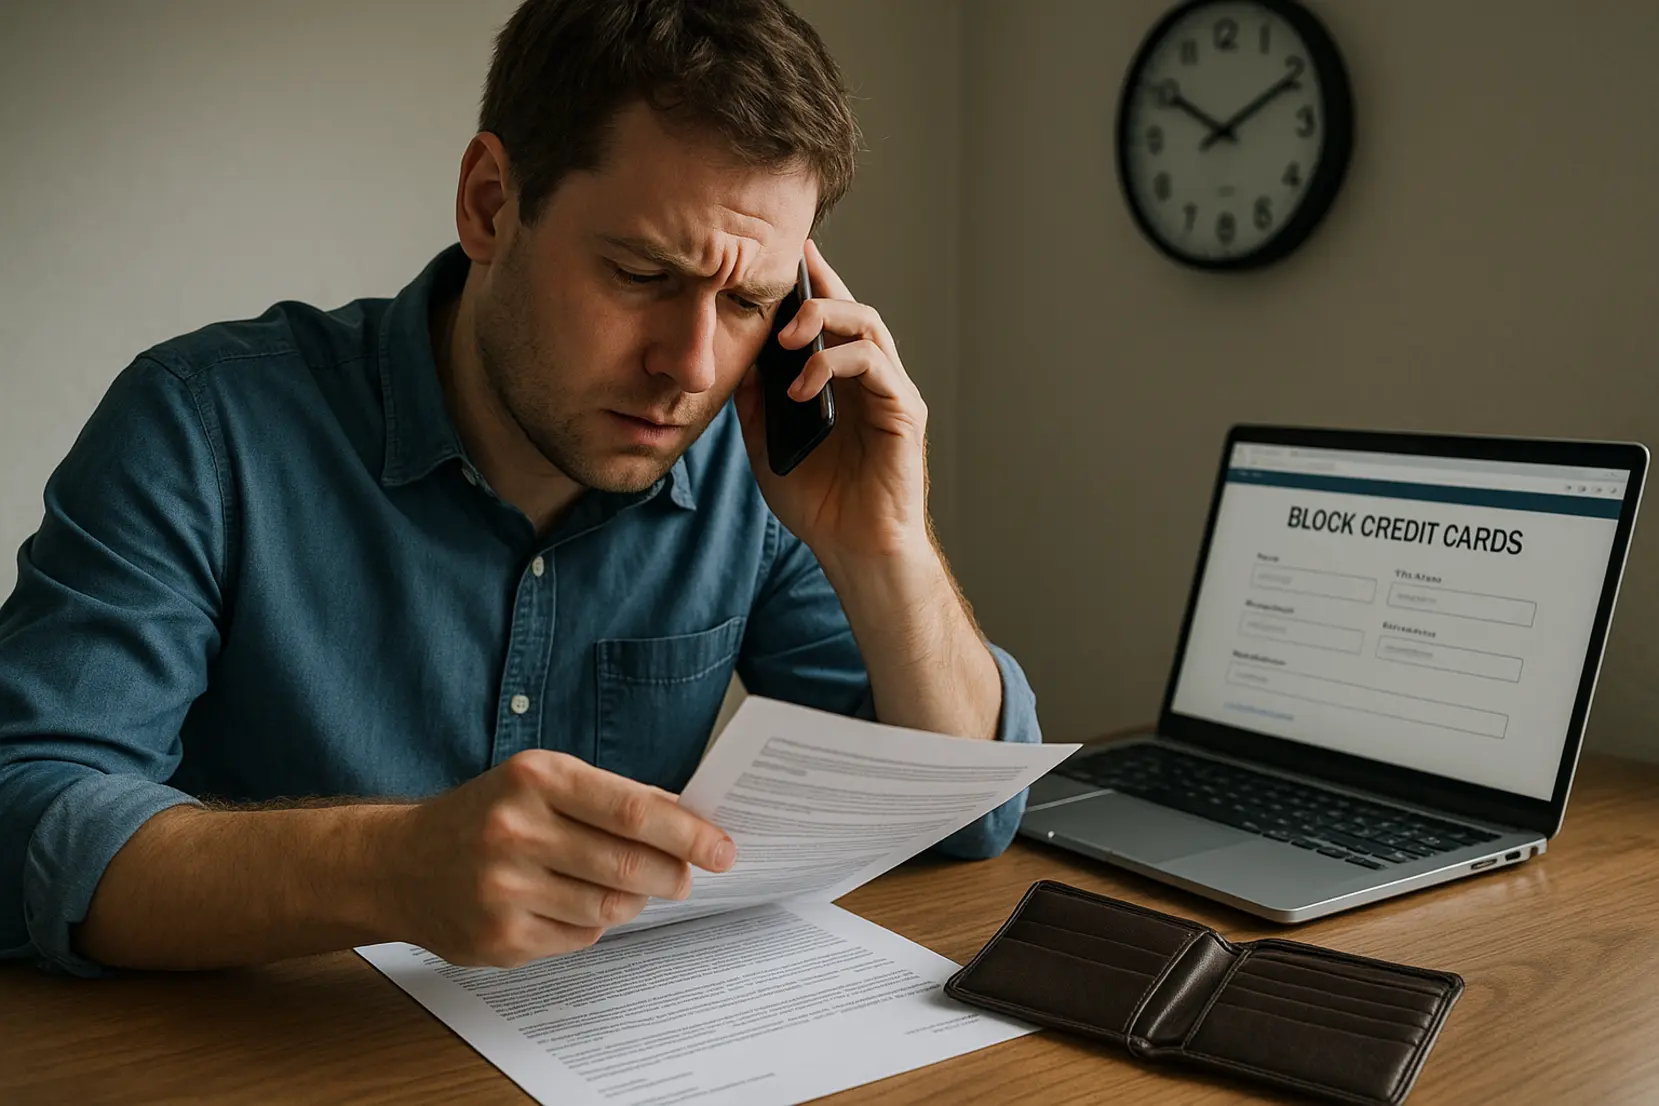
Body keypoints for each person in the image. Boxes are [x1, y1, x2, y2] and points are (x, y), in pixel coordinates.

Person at [0, 0, 1040, 977]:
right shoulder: (201, 426)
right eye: (643, 275)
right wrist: (389, 868)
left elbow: (963, 816)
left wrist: (886, 546)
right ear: (491, 204)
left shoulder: (752, 462)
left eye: (746, 303)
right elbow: (24, 813)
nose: (689, 367)